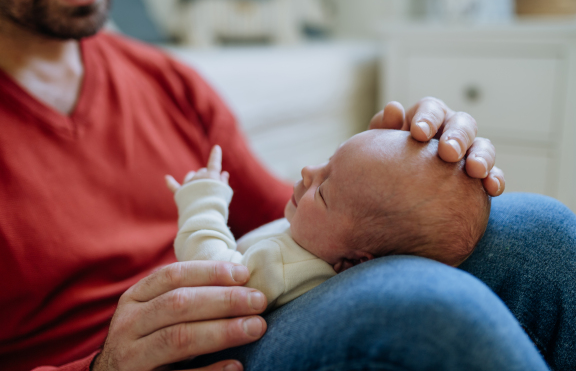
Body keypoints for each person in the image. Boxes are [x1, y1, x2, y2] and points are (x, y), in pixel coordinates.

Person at [0, 0, 573, 370]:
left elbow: (292, 221)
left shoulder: (165, 81)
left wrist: (388, 173)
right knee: (425, 306)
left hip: (237, 324)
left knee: (541, 232)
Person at [168, 130, 490, 310]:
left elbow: (212, 273)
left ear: (352, 264)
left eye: (323, 192)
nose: (308, 171)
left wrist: (202, 204)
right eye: (328, 161)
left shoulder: (282, 266)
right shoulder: (319, 239)